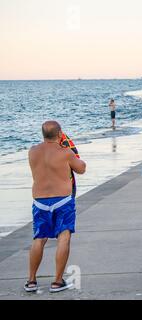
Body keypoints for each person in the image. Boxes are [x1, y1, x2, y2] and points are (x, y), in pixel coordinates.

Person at [25, 121, 86, 293]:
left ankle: (31, 281)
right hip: (62, 201)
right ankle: (57, 282)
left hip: (40, 201)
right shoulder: (65, 153)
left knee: (39, 239)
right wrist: (72, 152)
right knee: (64, 238)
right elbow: (81, 169)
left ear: (43, 134)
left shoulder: (33, 151)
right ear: (60, 134)